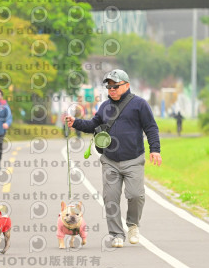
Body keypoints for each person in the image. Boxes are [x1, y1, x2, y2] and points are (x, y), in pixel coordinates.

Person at [65, 69, 161, 248]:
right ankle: (116, 234)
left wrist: (155, 149)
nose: (111, 90)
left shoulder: (140, 104)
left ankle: (133, 225)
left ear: (127, 85)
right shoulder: (104, 107)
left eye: (115, 86)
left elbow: (151, 128)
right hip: (110, 161)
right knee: (110, 199)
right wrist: (75, 122)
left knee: (136, 195)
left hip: (134, 159)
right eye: (109, 87)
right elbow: (92, 125)